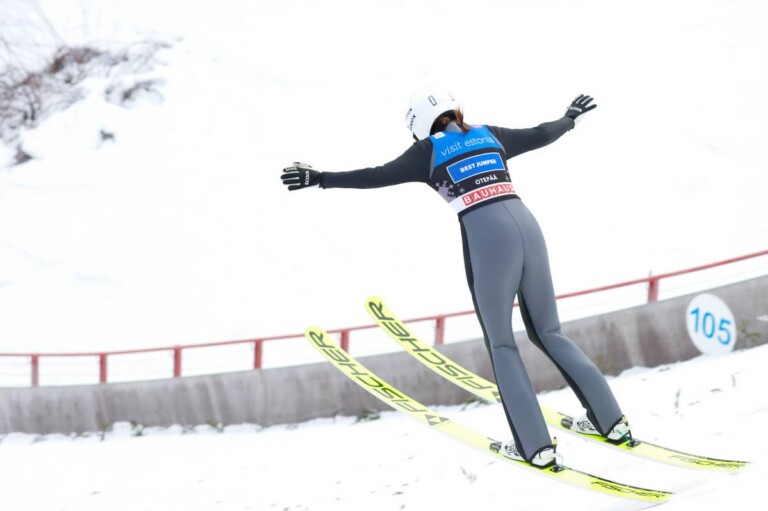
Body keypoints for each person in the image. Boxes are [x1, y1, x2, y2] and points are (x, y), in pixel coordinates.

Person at [280, 90, 630, 468]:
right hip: (529, 228)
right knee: (549, 332)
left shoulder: (427, 150)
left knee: (502, 344)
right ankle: (611, 422)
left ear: (419, 127)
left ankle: (535, 447)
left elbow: (377, 175)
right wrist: (570, 118)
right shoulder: (488, 133)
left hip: (489, 239)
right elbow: (542, 133)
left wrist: (321, 179)